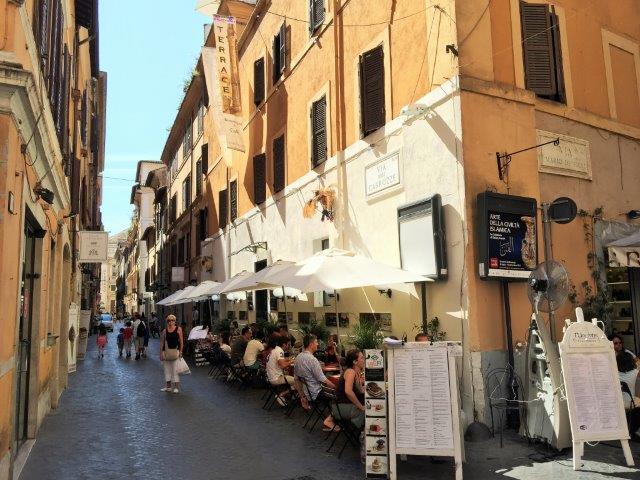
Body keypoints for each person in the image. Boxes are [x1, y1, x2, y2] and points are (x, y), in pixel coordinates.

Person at [294, 334, 338, 431]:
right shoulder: (312, 360)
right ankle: (330, 420)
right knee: (341, 396)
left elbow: (296, 380)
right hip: (316, 393)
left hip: (307, 393)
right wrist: (336, 387)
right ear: (311, 344)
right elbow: (323, 379)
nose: (317, 344)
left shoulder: (298, 357)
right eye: (316, 342)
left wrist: (302, 396)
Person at [333, 348, 365, 429]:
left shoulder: (356, 372)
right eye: (362, 358)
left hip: (344, 404)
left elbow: (360, 390)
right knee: (368, 410)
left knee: (369, 405)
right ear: (355, 362)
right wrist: (361, 407)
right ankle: (356, 430)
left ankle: (358, 429)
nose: (364, 359)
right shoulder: (350, 372)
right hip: (341, 407)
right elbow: (348, 392)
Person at [267, 335, 296, 406]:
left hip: (270, 377)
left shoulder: (275, 350)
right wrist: (291, 361)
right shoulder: (280, 351)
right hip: (276, 378)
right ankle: (282, 395)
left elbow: (280, 361)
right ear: (284, 344)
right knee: (298, 381)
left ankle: (292, 395)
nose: (289, 346)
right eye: (288, 344)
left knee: (288, 373)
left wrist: (288, 359)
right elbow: (283, 365)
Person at [160, 314, 184, 394]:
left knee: (175, 370)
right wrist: (160, 353)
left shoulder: (178, 329)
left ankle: (176, 387)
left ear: (175, 321)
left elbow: (181, 341)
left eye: (172, 320)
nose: (170, 322)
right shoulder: (164, 331)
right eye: (168, 321)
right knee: (167, 370)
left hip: (175, 352)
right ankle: (168, 387)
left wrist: (181, 351)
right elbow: (162, 343)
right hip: (166, 352)